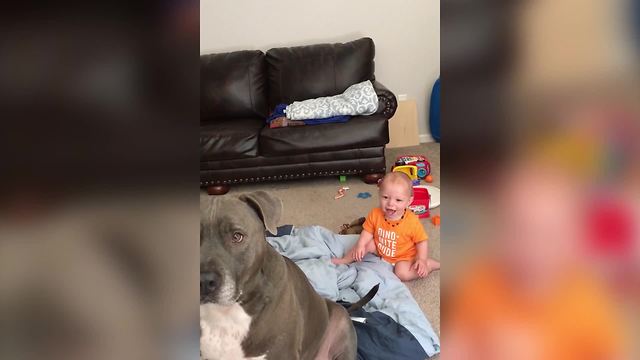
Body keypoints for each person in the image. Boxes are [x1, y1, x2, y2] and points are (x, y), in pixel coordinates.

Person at [331, 172, 440, 281]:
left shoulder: (412, 221)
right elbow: (367, 231)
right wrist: (361, 245)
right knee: (364, 243)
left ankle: (430, 264)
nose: (391, 203)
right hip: (381, 247)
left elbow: (422, 241)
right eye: (386, 197)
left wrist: (421, 259)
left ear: (409, 202)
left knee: (401, 273)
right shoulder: (375, 213)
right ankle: (345, 260)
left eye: (398, 200)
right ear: (379, 194)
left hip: (404, 256)